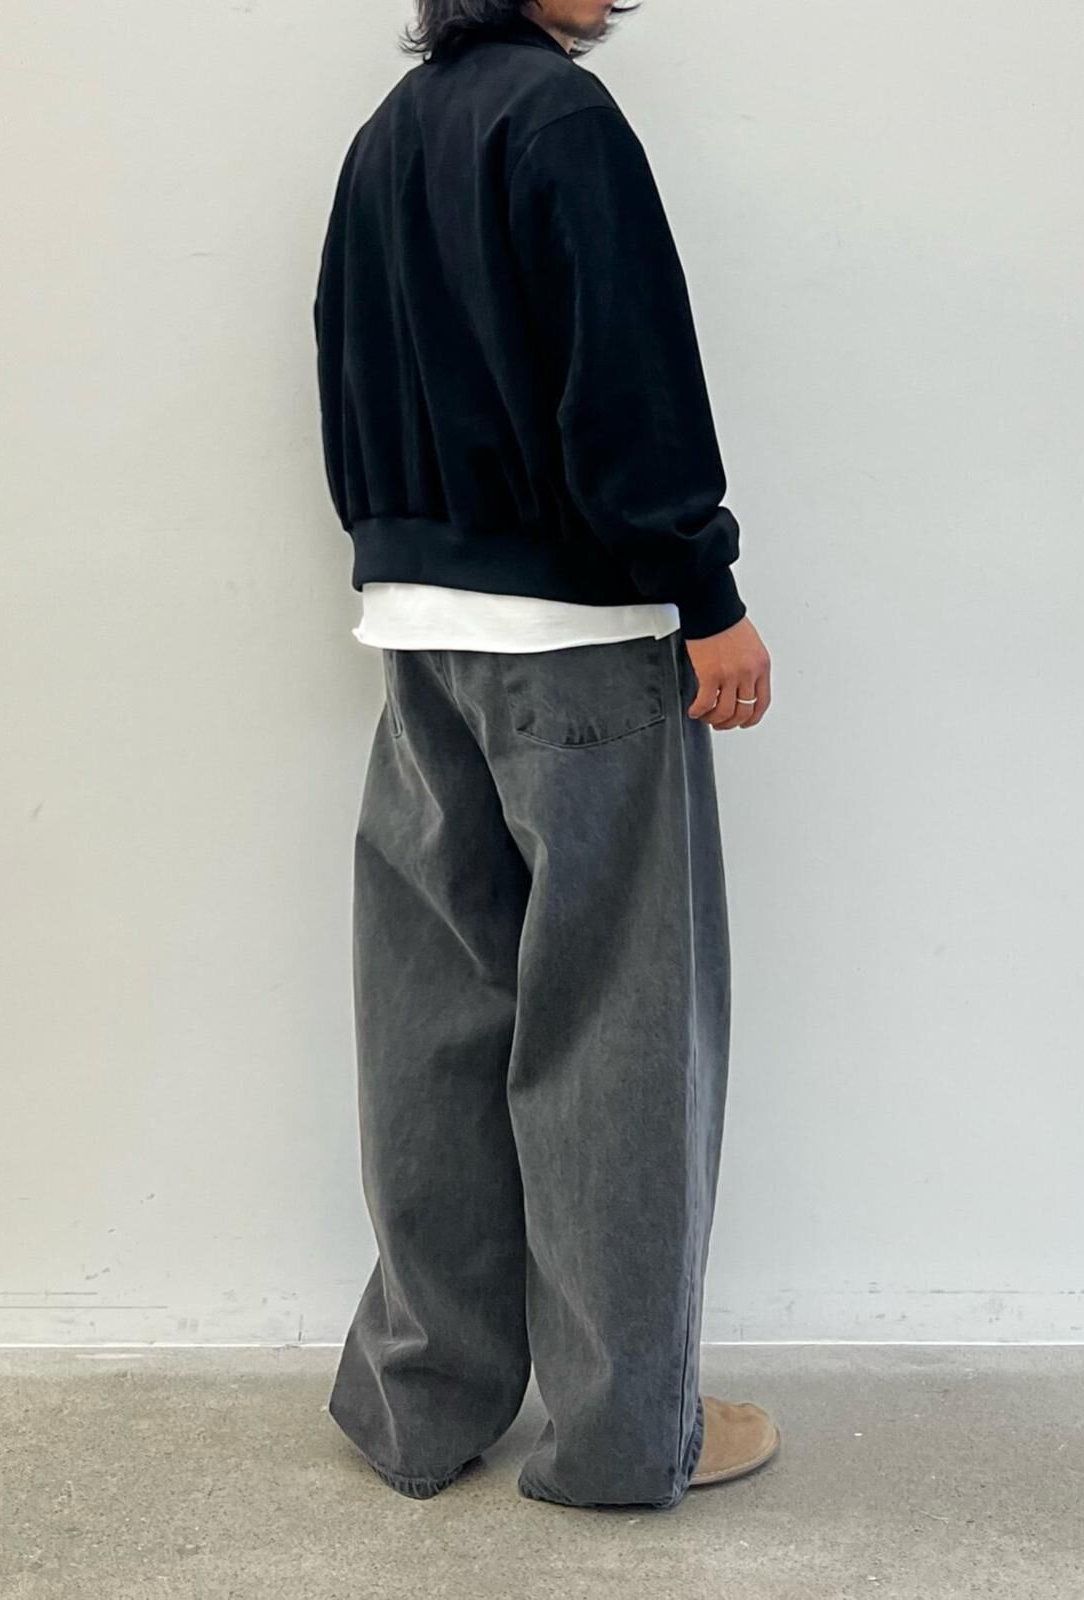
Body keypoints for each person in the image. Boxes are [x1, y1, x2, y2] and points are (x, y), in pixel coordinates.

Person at [313, 0, 778, 1511]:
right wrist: (705, 593)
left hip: (420, 631)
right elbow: (624, 379)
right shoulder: (562, 121)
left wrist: (403, 559)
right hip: (581, 639)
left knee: (436, 1022)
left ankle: (421, 1403)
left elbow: (343, 368)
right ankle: (623, 1433)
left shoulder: (387, 138)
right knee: (613, 1034)